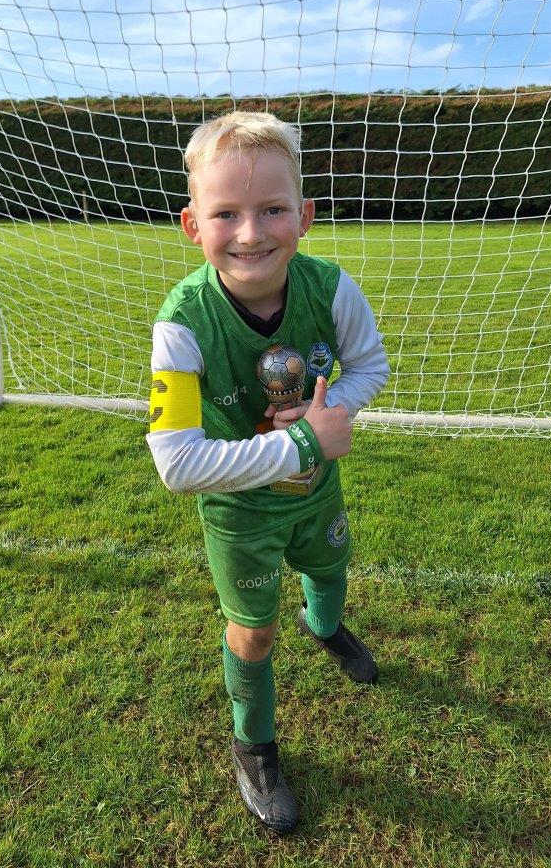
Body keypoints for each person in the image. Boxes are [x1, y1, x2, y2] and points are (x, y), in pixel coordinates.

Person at [146, 111, 389, 834]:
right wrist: (303, 446)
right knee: (252, 632)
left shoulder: (331, 288)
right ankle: (253, 743)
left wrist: (327, 412)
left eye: (272, 209)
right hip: (240, 512)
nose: (251, 233)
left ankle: (327, 626)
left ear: (305, 216)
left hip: (316, 497)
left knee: (331, 570)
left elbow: (369, 366)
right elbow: (177, 461)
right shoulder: (181, 324)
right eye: (227, 213)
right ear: (194, 225)